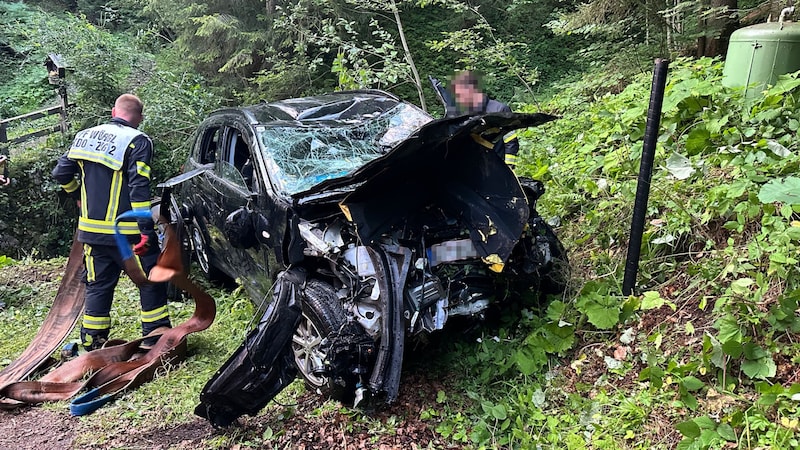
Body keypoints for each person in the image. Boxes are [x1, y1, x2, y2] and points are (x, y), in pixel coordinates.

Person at [52, 93, 170, 351]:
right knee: (150, 280)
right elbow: (139, 189)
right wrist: (146, 232)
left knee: (98, 285)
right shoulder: (137, 141)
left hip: (92, 233)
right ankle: (155, 338)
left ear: (113, 111)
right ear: (139, 116)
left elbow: (61, 173)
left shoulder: (85, 137)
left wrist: (77, 196)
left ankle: (93, 345)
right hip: (127, 235)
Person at [449, 70, 520, 167]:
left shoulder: (500, 109)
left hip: (497, 167)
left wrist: (509, 166)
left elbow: (511, 140)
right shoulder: (463, 114)